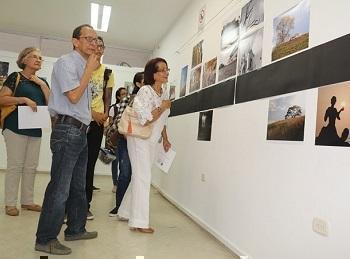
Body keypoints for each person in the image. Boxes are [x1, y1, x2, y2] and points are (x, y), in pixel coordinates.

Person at [35, 24, 99, 255]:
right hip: (68, 131)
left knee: (78, 187)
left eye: (95, 39)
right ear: (75, 41)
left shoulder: (83, 66)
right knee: (60, 188)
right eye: (88, 39)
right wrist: (89, 71)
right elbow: (73, 97)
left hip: (81, 131)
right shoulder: (66, 63)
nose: (93, 43)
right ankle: (45, 239)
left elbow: (81, 103)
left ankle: (75, 229)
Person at [117, 58, 171, 233]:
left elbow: (162, 122)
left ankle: (125, 211)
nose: (166, 72)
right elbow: (145, 118)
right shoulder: (145, 91)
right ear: (153, 74)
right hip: (139, 139)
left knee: (140, 176)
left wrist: (165, 138)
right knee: (143, 177)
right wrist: (162, 107)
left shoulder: (163, 93)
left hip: (153, 140)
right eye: (162, 70)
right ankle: (139, 221)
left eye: (166, 69)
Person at [0, 47, 50, 216]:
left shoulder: (42, 81)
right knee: (15, 165)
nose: (38, 60)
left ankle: (27, 201)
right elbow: (2, 98)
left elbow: (51, 103)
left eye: (40, 58)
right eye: (34, 57)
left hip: (35, 128)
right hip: (15, 127)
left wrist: (42, 84)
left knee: (31, 166)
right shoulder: (16, 77)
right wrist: (23, 99)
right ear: (24, 60)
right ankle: (10, 203)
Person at [85, 36, 115, 220]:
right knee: (73, 165)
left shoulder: (107, 73)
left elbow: (107, 99)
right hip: (79, 120)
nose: (98, 48)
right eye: (95, 44)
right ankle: (66, 207)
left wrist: (105, 119)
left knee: (89, 165)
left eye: (101, 45)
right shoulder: (81, 67)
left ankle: (84, 205)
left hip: (96, 124)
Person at [109, 72, 144, 217]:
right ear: (138, 84)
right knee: (125, 174)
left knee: (139, 176)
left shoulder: (149, 101)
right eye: (145, 81)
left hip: (142, 142)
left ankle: (134, 209)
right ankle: (120, 207)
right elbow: (118, 121)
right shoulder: (128, 99)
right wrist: (129, 135)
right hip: (126, 141)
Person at [108, 87, 128, 193]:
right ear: (118, 97)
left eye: (126, 93)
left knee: (123, 162)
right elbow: (110, 123)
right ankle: (115, 183)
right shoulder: (113, 108)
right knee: (115, 161)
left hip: (126, 137)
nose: (125, 95)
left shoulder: (129, 105)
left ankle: (122, 183)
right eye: (123, 94)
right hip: (116, 137)